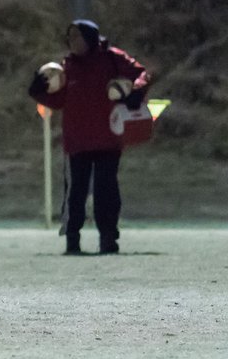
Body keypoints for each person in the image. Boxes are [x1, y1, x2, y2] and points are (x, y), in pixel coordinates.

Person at [29, 19, 149, 254]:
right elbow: (58, 101)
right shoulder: (66, 67)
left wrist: (135, 92)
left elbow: (141, 74)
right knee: (75, 194)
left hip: (108, 138)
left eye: (77, 36)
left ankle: (108, 240)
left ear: (91, 37)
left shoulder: (112, 58)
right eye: (70, 37)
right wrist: (37, 92)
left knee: (107, 192)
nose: (73, 41)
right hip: (77, 142)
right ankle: (72, 240)